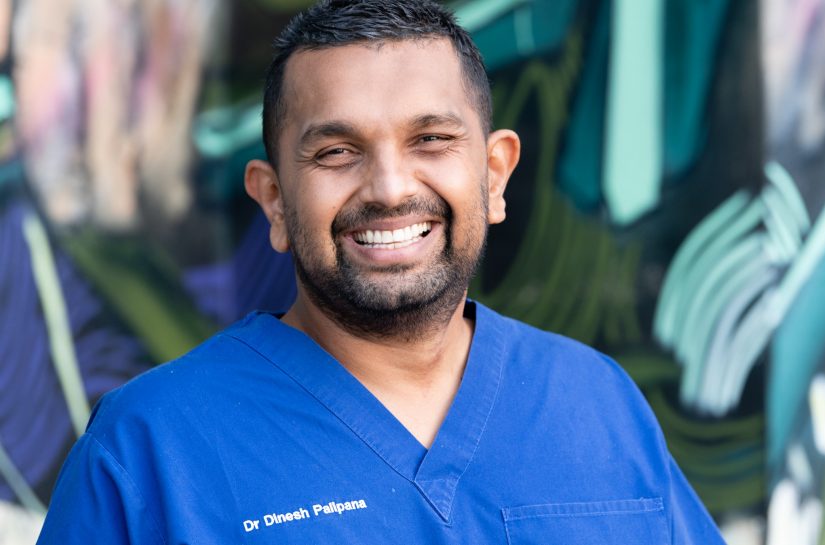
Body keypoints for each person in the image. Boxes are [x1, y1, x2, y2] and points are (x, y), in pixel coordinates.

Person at [37, 1, 726, 543]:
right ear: (273, 198)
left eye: (430, 139)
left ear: (494, 173)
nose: (391, 187)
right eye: (337, 151)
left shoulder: (597, 405)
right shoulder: (150, 449)